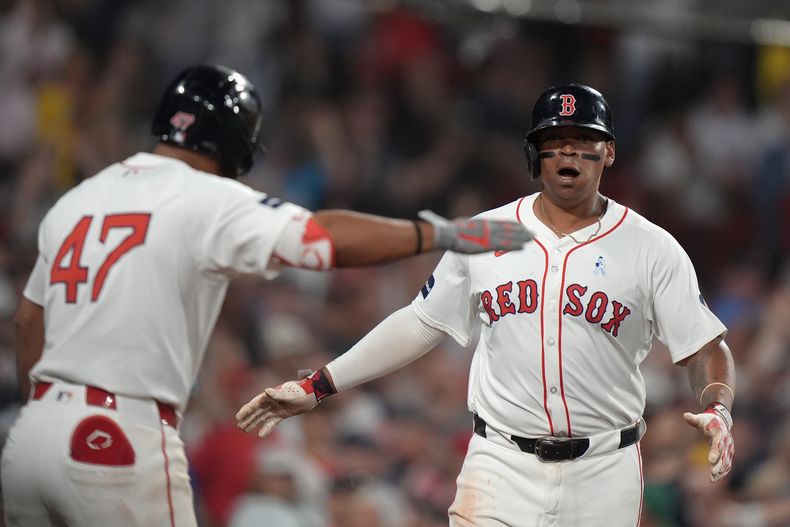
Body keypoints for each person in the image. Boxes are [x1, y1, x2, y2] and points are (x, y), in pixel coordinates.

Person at [1, 64, 533, 527]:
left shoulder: (79, 198)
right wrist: (436, 235)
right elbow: (322, 241)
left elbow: (29, 323)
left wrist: (48, 416)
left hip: (32, 438)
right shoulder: (206, 194)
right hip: (115, 433)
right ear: (233, 139)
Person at [237, 84, 736, 527]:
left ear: (608, 152)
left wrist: (718, 408)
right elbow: (420, 322)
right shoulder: (486, 232)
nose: (568, 153)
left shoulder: (652, 247)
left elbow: (705, 347)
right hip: (501, 462)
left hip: (604, 470)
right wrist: (319, 384)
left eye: (584, 141)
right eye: (553, 142)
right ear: (533, 154)